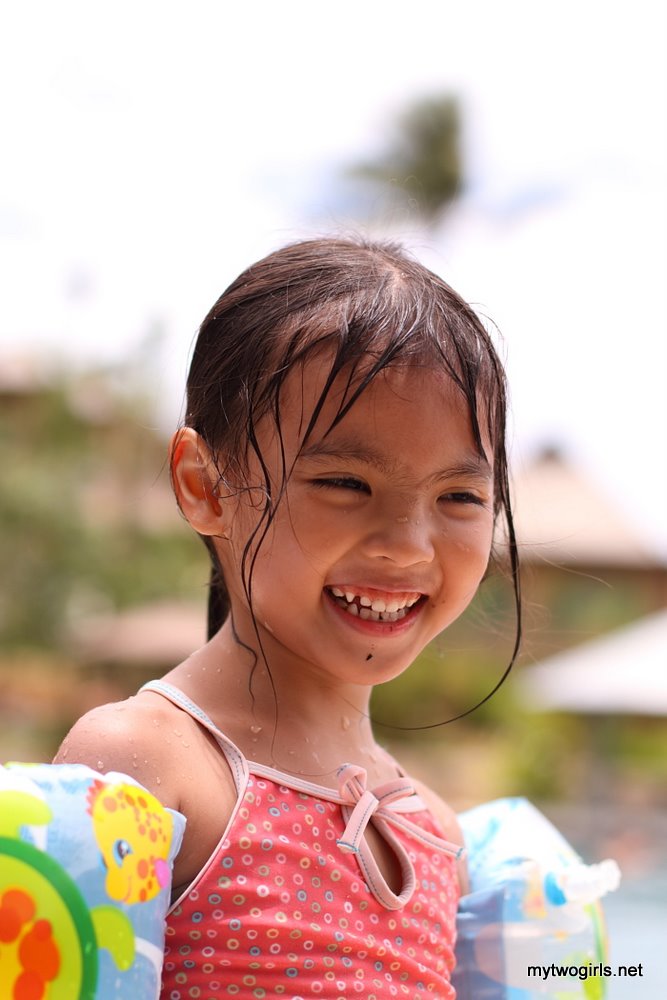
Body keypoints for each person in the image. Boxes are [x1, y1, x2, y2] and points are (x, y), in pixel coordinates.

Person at [55, 237, 520, 998]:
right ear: (204, 485)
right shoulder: (150, 767)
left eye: (459, 497)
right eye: (344, 482)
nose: (407, 547)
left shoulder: (439, 836)